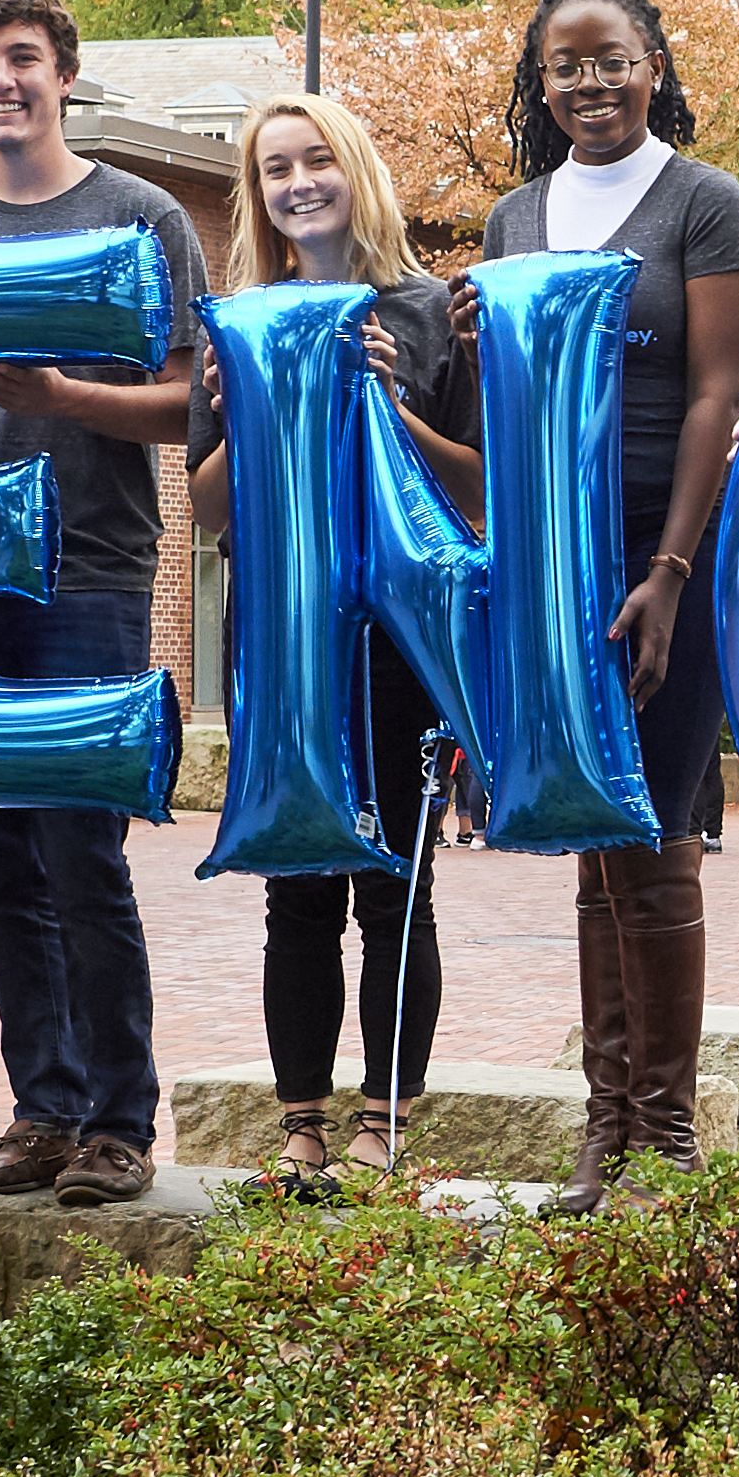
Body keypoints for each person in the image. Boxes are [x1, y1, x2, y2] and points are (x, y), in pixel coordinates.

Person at [0, 0, 212, 1213]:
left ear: (64, 72)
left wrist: (64, 399)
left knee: (82, 851)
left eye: (20, 57)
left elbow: (195, 396)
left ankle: (118, 1119)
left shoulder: (138, 219)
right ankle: (42, 1104)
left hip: (90, 559)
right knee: (1, 858)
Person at [481, 0, 739, 1217]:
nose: (589, 81)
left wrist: (668, 572)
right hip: (551, 558)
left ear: (655, 62)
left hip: (668, 550)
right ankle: (604, 1131)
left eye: (613, 58)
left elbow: (714, 394)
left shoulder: (704, 203)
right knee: (593, 848)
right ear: (539, 82)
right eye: (565, 64)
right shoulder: (511, 219)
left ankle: (668, 1129)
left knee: (660, 835)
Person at [191, 90, 474, 1201]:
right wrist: (244, 404)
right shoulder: (242, 317)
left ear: (355, 166)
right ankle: (300, 1124)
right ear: (257, 195)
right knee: (296, 887)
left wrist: (386, 395)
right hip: (283, 638)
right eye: (275, 169)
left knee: (397, 885)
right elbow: (211, 506)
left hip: (395, 643)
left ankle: (383, 1123)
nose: (299, 181)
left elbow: (478, 485)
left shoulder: (422, 307)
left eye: (317, 160)